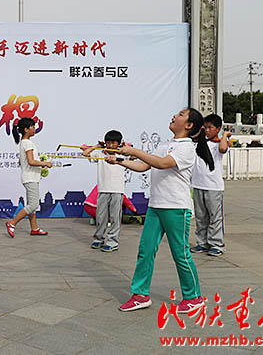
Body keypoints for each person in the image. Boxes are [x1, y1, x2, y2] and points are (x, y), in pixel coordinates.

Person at [107, 108, 214, 314]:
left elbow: (163, 164)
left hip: (176, 208)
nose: (175, 116)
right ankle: (140, 295)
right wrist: (119, 160)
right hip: (156, 205)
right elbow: (144, 166)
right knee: (145, 251)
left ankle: (194, 297)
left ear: (189, 125)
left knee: (180, 254)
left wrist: (134, 151)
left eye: (181, 114)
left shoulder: (186, 148)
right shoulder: (164, 145)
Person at [190, 114, 230, 257]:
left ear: (218, 129)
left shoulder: (219, 143)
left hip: (214, 187)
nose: (207, 130)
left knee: (215, 217)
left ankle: (217, 244)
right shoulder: (198, 143)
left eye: (210, 127)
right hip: (198, 184)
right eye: (205, 127)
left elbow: (223, 149)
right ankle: (202, 243)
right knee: (201, 216)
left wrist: (225, 135)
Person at [5, 117, 52, 237]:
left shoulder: (23, 143)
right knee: (33, 205)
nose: (34, 129)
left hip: (29, 177)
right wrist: (45, 163)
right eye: (33, 127)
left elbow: (22, 161)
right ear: (26, 129)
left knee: (32, 205)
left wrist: (40, 163)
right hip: (30, 178)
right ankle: (12, 223)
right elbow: (31, 161)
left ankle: (34, 228)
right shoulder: (28, 143)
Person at [82, 130, 126, 252]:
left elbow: (134, 157)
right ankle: (98, 239)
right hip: (103, 189)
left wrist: (126, 148)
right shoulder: (100, 153)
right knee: (101, 216)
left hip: (117, 190)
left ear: (119, 143)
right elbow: (85, 154)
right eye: (108, 142)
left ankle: (113, 241)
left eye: (113, 143)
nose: (110, 145)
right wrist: (97, 146)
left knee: (115, 217)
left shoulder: (123, 154)